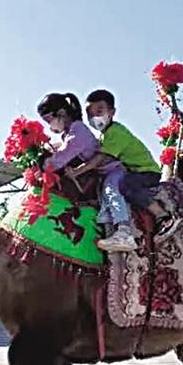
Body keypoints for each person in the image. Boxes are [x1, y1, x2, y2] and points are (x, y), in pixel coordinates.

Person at [37, 92, 137, 251]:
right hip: (98, 175)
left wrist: (43, 163)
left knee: (111, 190)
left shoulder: (79, 131)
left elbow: (62, 156)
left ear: (61, 113)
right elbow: (61, 149)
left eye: (49, 120)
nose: (50, 126)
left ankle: (124, 231)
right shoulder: (68, 134)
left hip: (113, 171)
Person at [86, 89, 181, 244]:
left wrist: (78, 170)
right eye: (90, 114)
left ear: (112, 111)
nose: (94, 117)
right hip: (135, 171)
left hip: (146, 171)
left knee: (126, 186)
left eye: (99, 111)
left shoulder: (116, 132)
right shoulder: (105, 135)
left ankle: (163, 216)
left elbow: (100, 159)